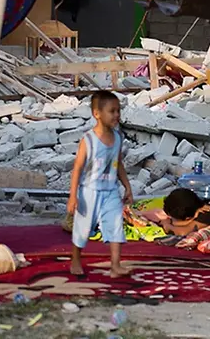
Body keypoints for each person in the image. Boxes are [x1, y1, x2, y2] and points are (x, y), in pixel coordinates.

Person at [67, 91, 133, 278]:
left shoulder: (118, 138)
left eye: (118, 111)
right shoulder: (88, 140)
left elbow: (118, 164)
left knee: (115, 225)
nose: (116, 115)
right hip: (89, 191)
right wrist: (73, 196)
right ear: (97, 114)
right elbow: (77, 168)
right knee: (83, 227)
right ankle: (76, 260)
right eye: (112, 111)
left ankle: (115, 265)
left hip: (111, 190)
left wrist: (127, 186)